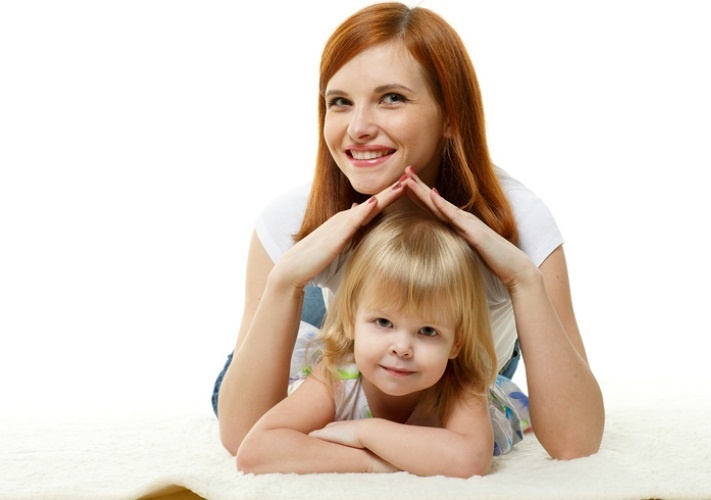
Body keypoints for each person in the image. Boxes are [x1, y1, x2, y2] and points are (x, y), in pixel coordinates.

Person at [214, 2, 604, 461]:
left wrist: (522, 280)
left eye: (392, 98)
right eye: (340, 102)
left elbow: (577, 442)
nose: (358, 128)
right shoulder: (291, 220)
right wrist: (285, 281)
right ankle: (347, 316)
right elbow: (244, 439)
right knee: (315, 357)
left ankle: (412, 328)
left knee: (456, 377)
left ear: (451, 116)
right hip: (336, 333)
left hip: (455, 360)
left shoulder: (521, 218)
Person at [235, 213, 530, 477]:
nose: (401, 347)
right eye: (384, 322)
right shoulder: (338, 376)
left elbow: (469, 460)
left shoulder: (461, 382)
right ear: (351, 321)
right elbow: (255, 450)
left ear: (457, 343)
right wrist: (370, 462)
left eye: (427, 330)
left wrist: (365, 432)